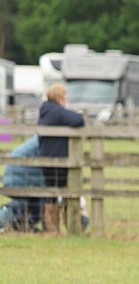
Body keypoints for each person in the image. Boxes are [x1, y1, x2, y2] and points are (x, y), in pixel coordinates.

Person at [36, 84, 85, 234]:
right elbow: (78, 120)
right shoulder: (57, 112)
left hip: (46, 159)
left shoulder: (45, 112)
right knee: (66, 192)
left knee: (51, 193)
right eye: (65, 97)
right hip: (59, 161)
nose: (66, 100)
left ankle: (52, 228)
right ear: (59, 98)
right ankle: (72, 226)